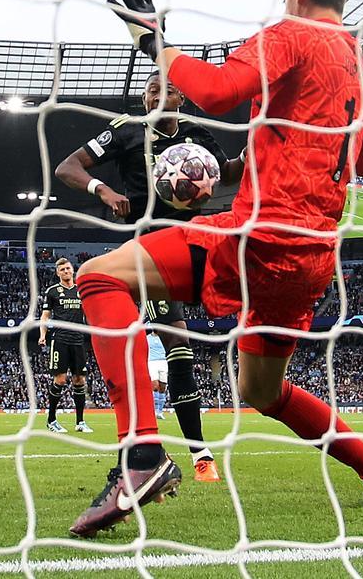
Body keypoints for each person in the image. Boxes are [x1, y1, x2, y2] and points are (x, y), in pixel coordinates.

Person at [69, 0, 363, 538]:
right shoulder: (362, 66)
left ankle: (141, 456)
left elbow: (215, 90)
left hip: (259, 234)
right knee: (263, 390)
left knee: (100, 278)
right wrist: (261, 154)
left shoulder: (293, 33)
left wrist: (156, 43)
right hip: (312, 256)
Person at [55, 72, 237, 482]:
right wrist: (103, 191)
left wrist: (252, 156)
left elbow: (226, 173)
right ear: (142, 99)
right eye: (152, 89)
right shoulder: (125, 131)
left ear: (181, 99)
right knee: (175, 342)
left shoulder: (196, 135)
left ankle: (169, 451)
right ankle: (174, 451)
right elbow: (68, 167)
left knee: (181, 344)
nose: (159, 93)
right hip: (145, 249)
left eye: (169, 88)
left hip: (193, 243)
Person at [38, 257, 93, 434]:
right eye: (62, 270)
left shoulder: (81, 290)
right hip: (60, 339)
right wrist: (42, 335)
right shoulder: (52, 291)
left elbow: (90, 312)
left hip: (78, 340)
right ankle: (51, 420)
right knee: (60, 380)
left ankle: (80, 422)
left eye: (68, 268)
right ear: (58, 273)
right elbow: (45, 316)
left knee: (80, 380)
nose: (66, 272)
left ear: (73, 270)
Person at [146, 328, 168, 420]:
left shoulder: (164, 337)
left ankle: (160, 411)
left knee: (162, 387)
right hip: (152, 362)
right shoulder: (147, 338)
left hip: (163, 362)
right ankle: (154, 411)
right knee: (155, 386)